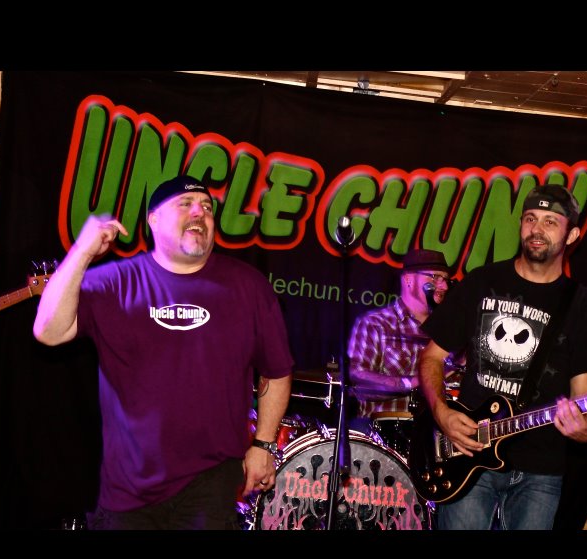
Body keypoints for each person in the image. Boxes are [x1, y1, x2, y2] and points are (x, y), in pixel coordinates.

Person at [33, 174, 294, 530]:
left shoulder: (249, 287)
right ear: (153, 220)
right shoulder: (114, 282)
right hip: (129, 488)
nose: (200, 213)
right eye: (185, 204)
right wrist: (82, 252)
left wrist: (264, 445)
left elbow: (276, 371)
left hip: (212, 481)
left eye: (207, 207)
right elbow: (48, 331)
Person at [418, 183, 587, 530]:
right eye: (530, 218)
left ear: (572, 235)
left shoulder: (583, 305)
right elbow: (431, 358)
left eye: (551, 222)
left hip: (541, 471)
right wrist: (442, 413)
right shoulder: (482, 282)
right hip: (470, 454)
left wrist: (586, 430)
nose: (537, 229)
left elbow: (585, 399)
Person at [347, 249, 458, 451]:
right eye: (435, 277)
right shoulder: (376, 324)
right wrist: (413, 382)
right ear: (408, 279)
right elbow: (358, 379)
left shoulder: (450, 331)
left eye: (446, 280)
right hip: (381, 437)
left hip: (435, 438)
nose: (443, 286)